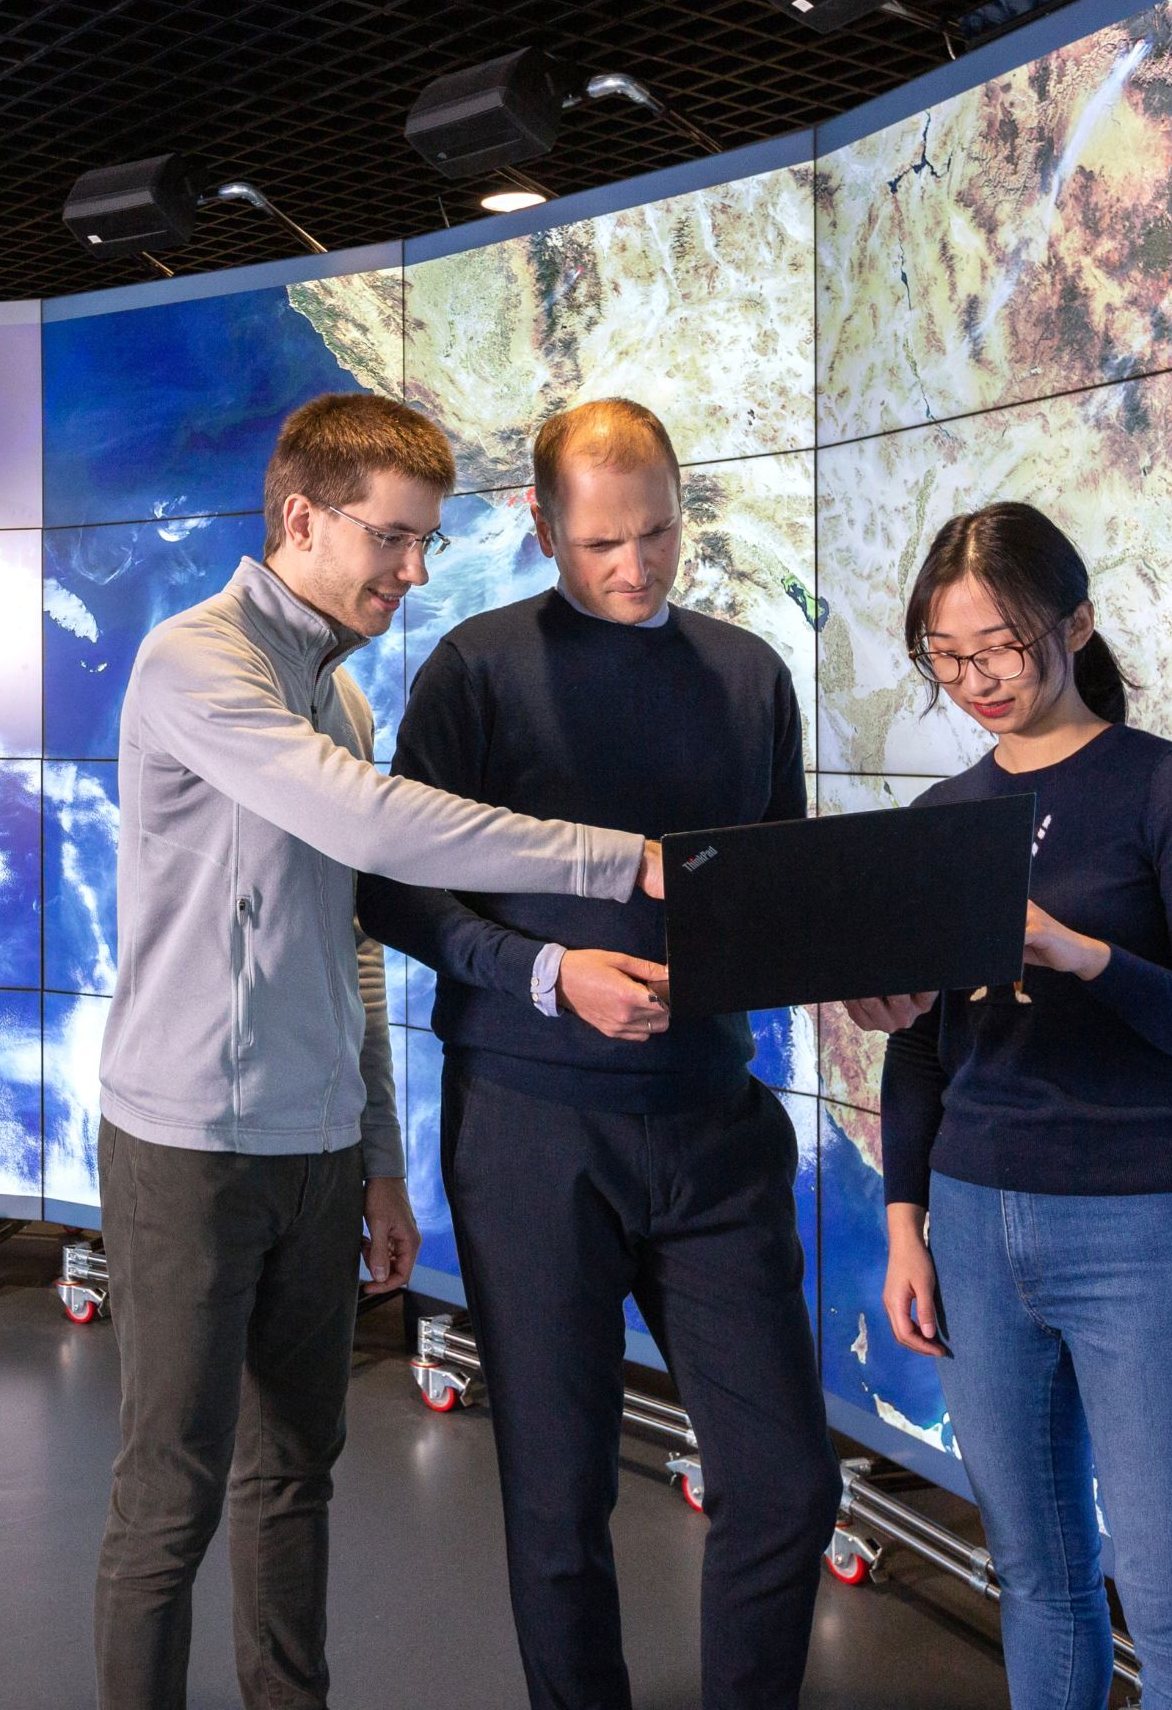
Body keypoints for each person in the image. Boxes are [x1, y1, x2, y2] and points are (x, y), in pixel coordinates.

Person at [94, 391, 666, 1710]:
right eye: (394, 541)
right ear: (302, 518)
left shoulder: (336, 696)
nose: (413, 574)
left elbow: (347, 947)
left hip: (311, 1150)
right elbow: (379, 829)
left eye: (426, 546)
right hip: (184, 1150)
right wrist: (619, 859)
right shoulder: (196, 664)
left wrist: (381, 1161)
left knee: (295, 1476)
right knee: (169, 1501)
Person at [357, 398, 840, 1710]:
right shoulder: (474, 669)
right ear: (542, 527)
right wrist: (547, 976)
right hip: (527, 1130)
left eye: (659, 535)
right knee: (557, 1510)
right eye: (603, 543)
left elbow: (777, 895)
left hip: (713, 1128)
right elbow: (392, 891)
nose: (634, 567)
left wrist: (864, 971)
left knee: (791, 1484)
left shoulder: (750, 675)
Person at [843, 500, 1172, 1710]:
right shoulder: (941, 819)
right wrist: (905, 1219)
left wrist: (1085, 956)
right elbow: (921, 1048)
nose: (975, 679)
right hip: (974, 1224)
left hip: (1147, 1226)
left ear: (1074, 624)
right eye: (947, 655)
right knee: (1038, 1580)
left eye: (1002, 647)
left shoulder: (1170, 789)